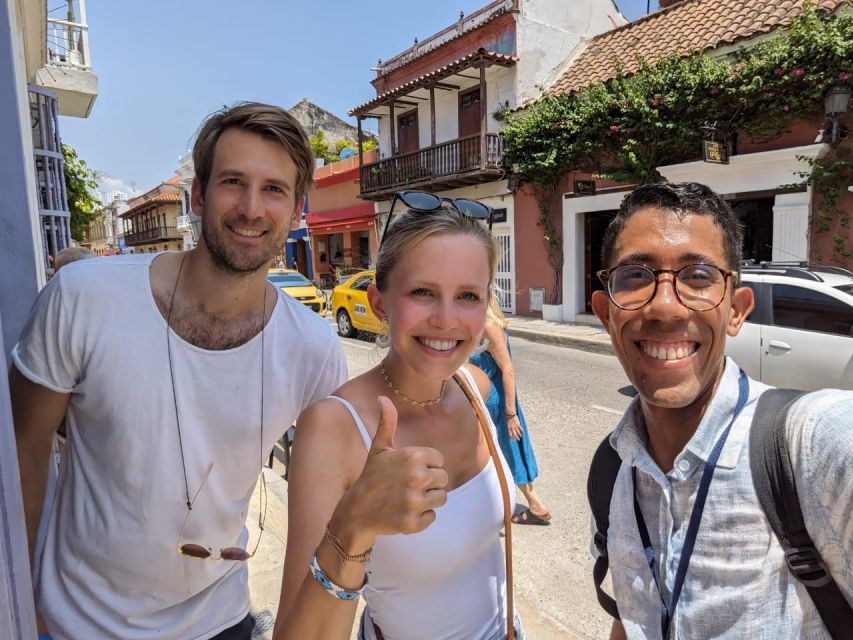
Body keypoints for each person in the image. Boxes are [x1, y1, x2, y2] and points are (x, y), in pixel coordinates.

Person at [11, 102, 361, 640]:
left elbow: (322, 508)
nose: (251, 207)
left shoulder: (313, 348)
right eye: (232, 182)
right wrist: (22, 606)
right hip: (71, 623)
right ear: (197, 196)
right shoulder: (83, 299)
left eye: (273, 189)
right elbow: (22, 451)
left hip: (219, 623)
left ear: (296, 211)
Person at [588, 182, 853, 639]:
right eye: (635, 276)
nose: (666, 307)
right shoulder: (611, 468)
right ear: (604, 313)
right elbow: (632, 616)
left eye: (697, 276)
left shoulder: (809, 447)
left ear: (736, 311)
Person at [276, 202, 523, 640]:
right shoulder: (334, 429)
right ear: (379, 301)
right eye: (422, 292)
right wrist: (353, 528)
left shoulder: (475, 387)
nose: (446, 320)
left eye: (468, 296)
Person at [470, 298, 551, 525]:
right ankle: (503, 502)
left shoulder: (489, 327)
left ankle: (533, 503)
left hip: (495, 402)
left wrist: (510, 413)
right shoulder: (482, 325)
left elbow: (508, 370)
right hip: (490, 399)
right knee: (497, 450)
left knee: (504, 449)